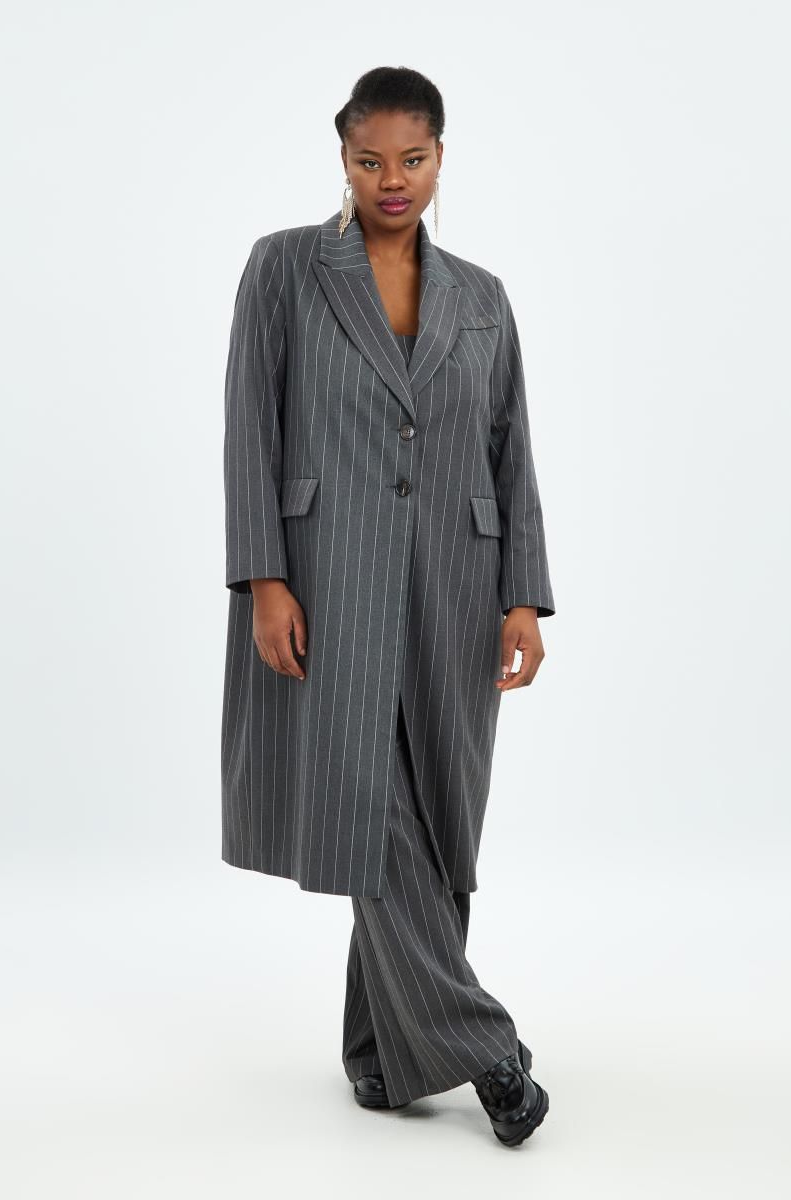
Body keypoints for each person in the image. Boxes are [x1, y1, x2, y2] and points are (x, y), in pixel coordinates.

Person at [222, 66, 556, 1148]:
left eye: (412, 159)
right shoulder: (285, 269)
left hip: (460, 584)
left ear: (441, 157)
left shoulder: (482, 296)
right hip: (331, 579)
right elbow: (250, 427)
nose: (392, 180)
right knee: (373, 809)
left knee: (441, 818)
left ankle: (380, 1056)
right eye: (370, 161)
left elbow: (510, 448)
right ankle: (486, 1048)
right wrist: (265, 577)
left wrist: (523, 597)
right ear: (343, 159)